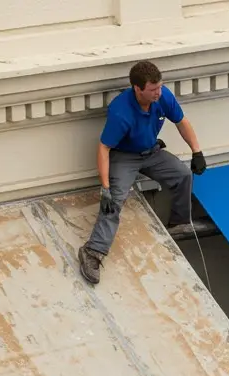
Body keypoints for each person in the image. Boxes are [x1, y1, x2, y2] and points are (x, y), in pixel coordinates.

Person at [77, 60, 206, 285]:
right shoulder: (121, 112)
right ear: (138, 89)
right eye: (153, 89)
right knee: (114, 201)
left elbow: (181, 121)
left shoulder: (163, 96)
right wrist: (105, 187)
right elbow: (104, 147)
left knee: (183, 175)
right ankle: (93, 251)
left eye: (159, 87)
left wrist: (197, 152)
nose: (158, 93)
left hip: (152, 152)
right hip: (124, 156)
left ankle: (178, 224)